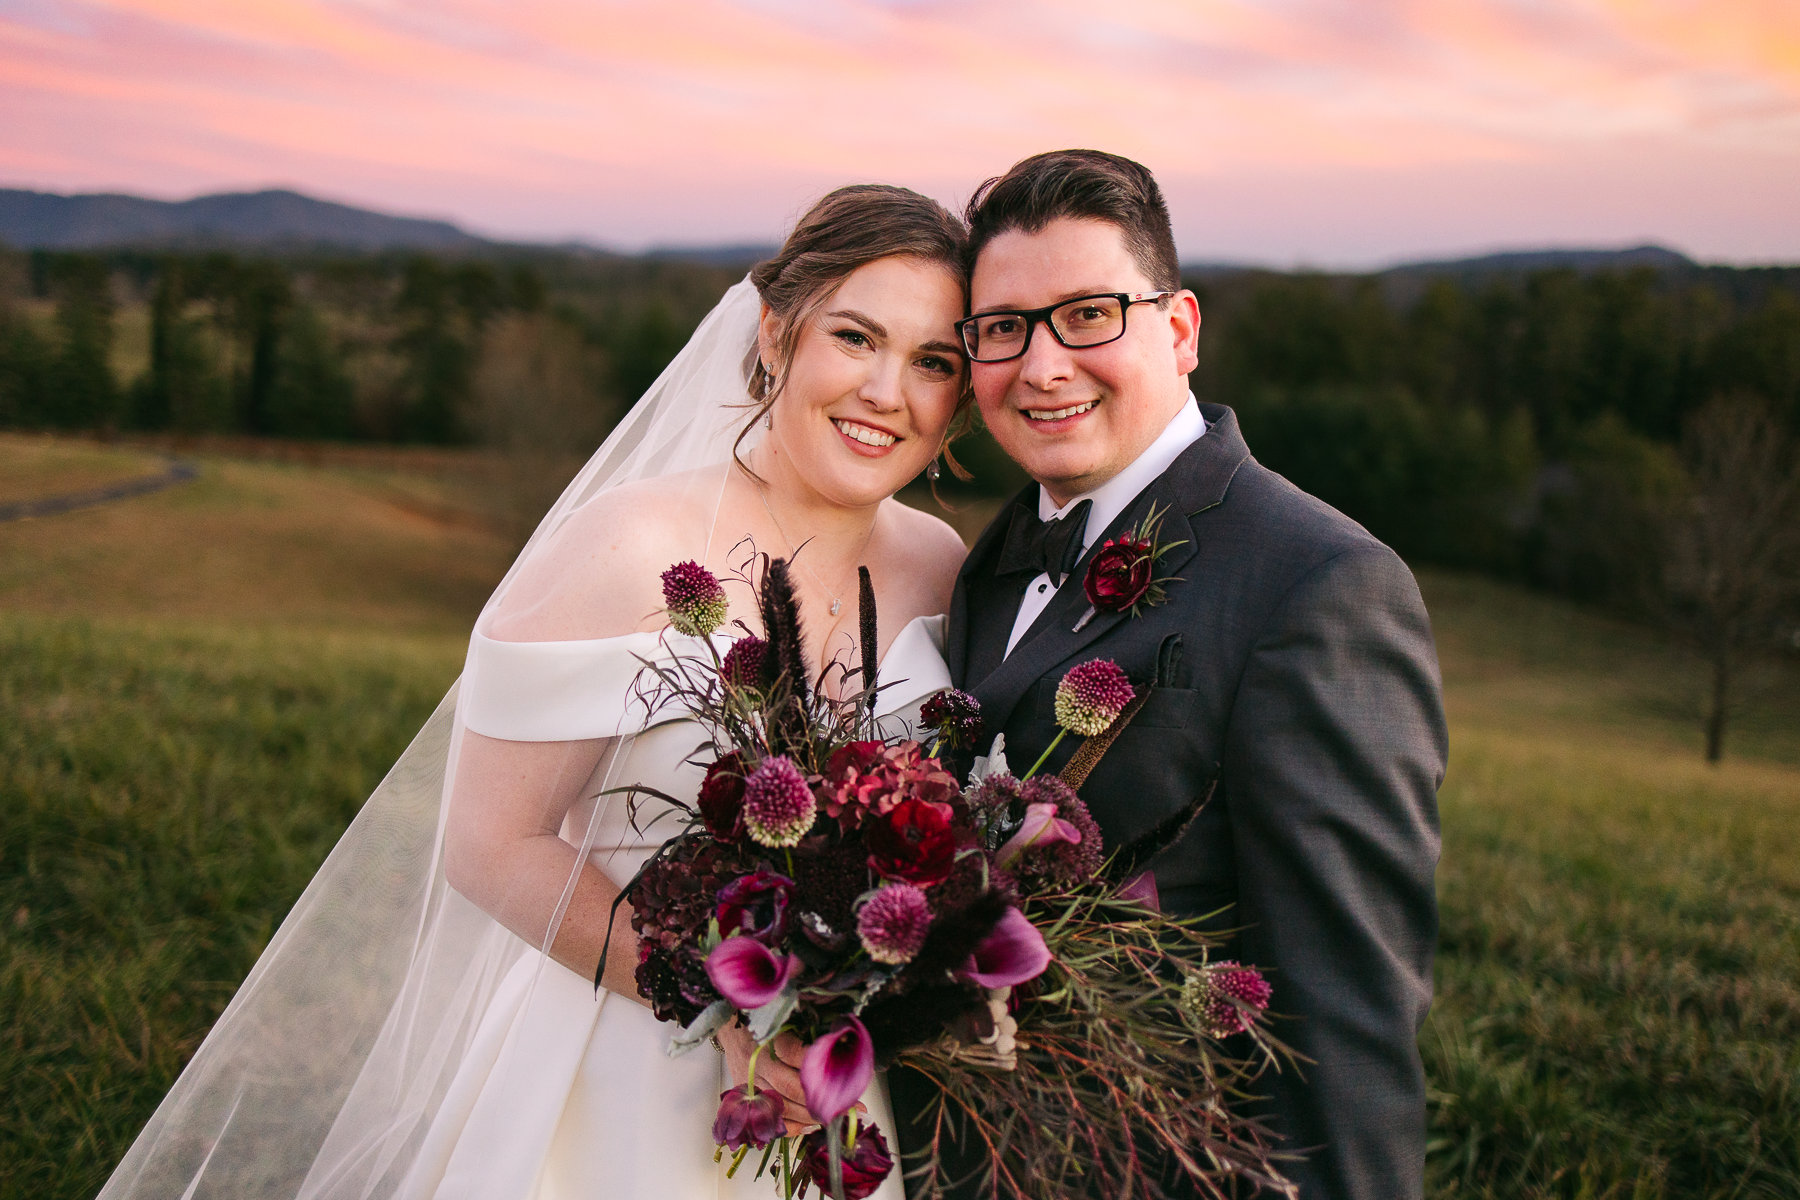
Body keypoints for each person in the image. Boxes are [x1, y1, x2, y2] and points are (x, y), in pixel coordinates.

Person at [96, 183, 972, 1200]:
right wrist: (723, 1008)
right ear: (776, 336)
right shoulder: (632, 543)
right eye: (856, 337)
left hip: (831, 1083)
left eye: (933, 362)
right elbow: (491, 842)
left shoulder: (941, 566)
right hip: (623, 1064)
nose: (886, 390)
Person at [888, 150, 1447, 1200]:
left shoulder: (1320, 584)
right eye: (1004, 327)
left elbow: (1344, 1020)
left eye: (1089, 314)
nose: (1043, 367)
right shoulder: (990, 562)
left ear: (1181, 329)